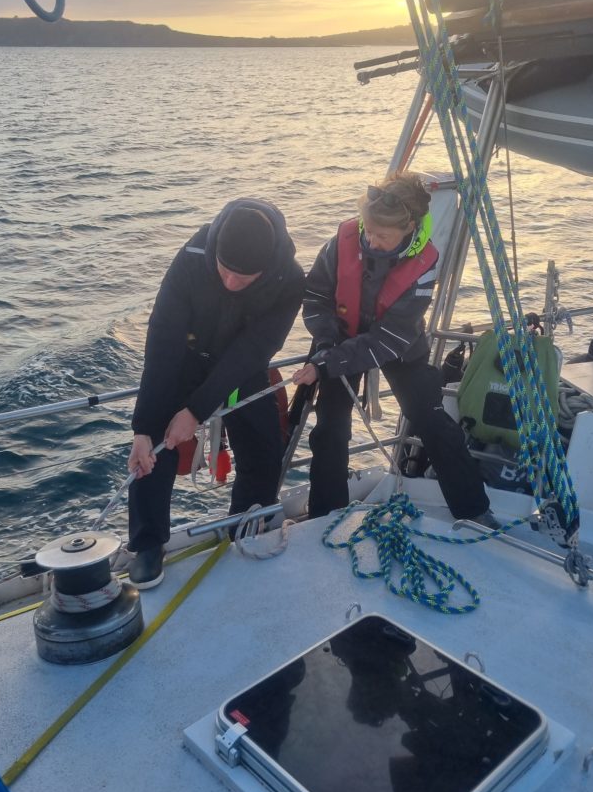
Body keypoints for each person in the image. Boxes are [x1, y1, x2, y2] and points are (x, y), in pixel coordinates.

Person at [292, 171, 494, 525]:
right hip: (338, 338)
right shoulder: (341, 241)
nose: (371, 240)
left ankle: (474, 510)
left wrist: (328, 363)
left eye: (382, 236)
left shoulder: (425, 265)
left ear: (409, 229)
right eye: (368, 231)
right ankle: (326, 514)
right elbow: (315, 295)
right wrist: (325, 347)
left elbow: (389, 338)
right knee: (330, 426)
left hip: (398, 344)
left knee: (430, 419)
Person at [127, 199, 305, 588]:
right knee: (153, 439)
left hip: (242, 362)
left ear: (265, 269)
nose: (230, 284)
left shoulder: (289, 280)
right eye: (224, 271)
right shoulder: (193, 255)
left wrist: (196, 410)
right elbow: (163, 338)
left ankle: (249, 521)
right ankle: (147, 544)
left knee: (263, 443)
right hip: (188, 354)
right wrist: (142, 426)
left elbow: (255, 349)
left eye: (243, 278)